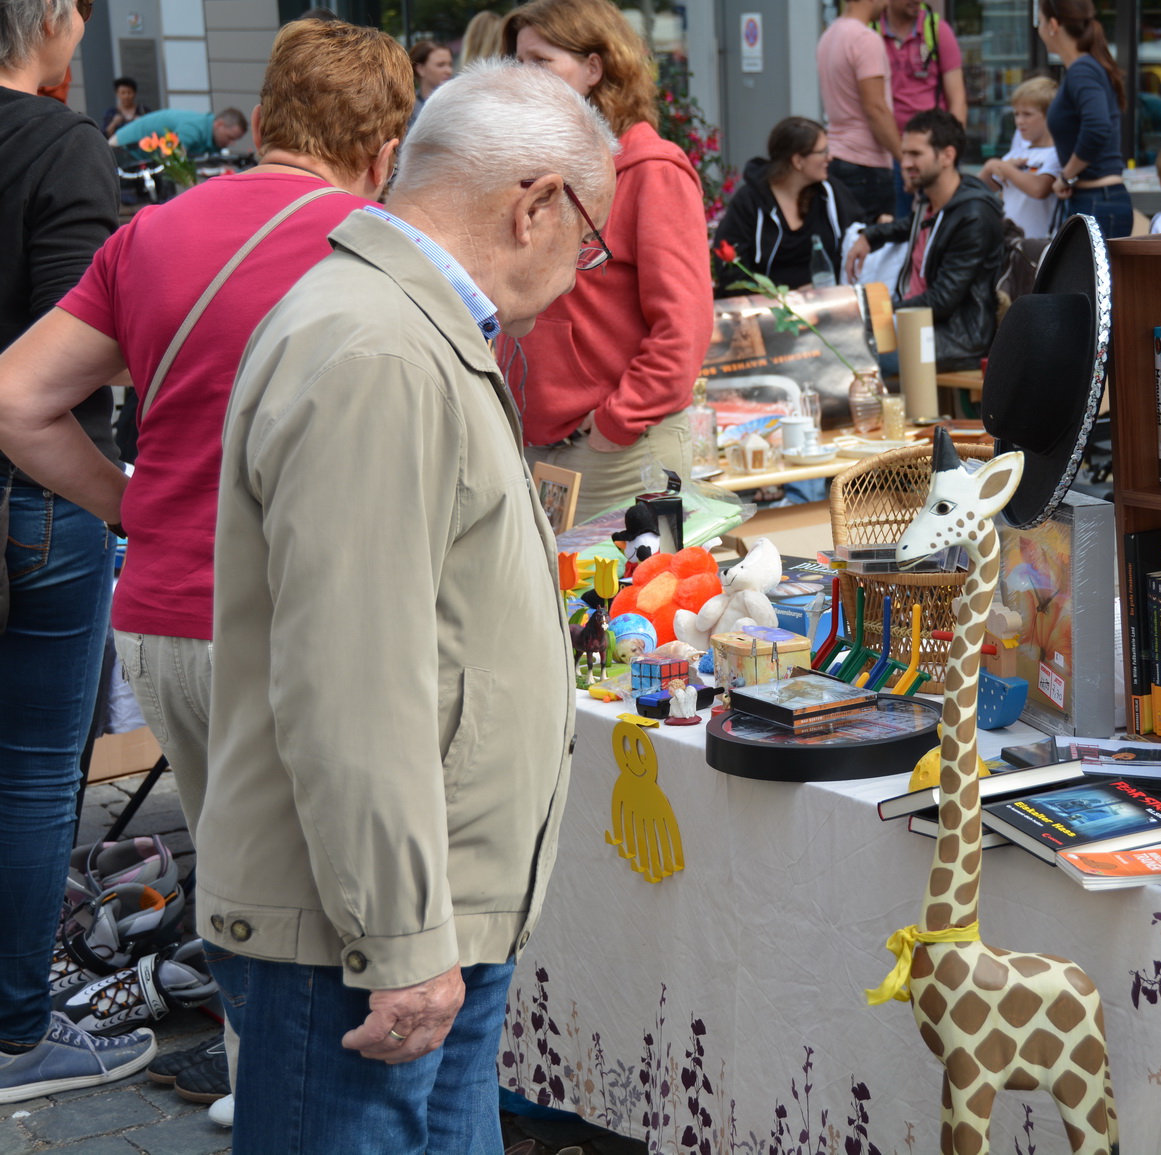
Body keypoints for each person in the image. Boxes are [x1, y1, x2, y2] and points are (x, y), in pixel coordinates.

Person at [0, 16, 413, 1119]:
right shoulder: (380, 243)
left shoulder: (154, 232)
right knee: (326, 893)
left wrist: (129, 502)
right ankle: (292, 1099)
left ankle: (253, 1074)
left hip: (162, 609)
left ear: (266, 119)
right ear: (384, 146)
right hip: (291, 615)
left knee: (232, 871)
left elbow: (17, 400)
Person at [195, 59, 611, 1150]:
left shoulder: (396, 328)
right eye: (591, 240)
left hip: (404, 925)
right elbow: (354, 677)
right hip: (359, 939)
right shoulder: (380, 346)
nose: (579, 275)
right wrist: (401, 933)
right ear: (536, 207)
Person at [0, 0, 156, 1103]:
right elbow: (69, 358)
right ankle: (16, 1032)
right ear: (51, 19)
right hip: (33, 491)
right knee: (32, 775)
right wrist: (123, 502)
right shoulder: (62, 147)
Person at [507, 0, 710, 519]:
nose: (522, 78)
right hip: (542, 448)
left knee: (633, 602)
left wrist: (614, 424)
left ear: (594, 68)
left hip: (620, 450)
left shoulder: (651, 169)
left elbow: (683, 327)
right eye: (517, 62)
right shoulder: (533, 169)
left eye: (540, 62)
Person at [845, 109, 1001, 373]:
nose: (904, 163)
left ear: (947, 156)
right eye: (905, 153)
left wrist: (875, 311)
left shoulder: (973, 215)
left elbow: (942, 301)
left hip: (954, 339)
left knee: (846, 359)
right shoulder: (932, 201)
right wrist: (870, 236)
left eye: (915, 154)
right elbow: (911, 226)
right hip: (916, 326)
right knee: (833, 343)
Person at [712, 116, 864, 295]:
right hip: (768, 311)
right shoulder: (750, 201)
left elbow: (857, 234)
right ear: (798, 160)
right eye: (823, 151)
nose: (830, 157)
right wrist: (785, 297)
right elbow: (731, 272)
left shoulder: (830, 192)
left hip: (828, 304)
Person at [1038, 0, 1132, 239]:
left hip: (1097, 201)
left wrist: (1066, 176)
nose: (1038, 30)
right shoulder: (1085, 68)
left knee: (1092, 278)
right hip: (1096, 200)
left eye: (1039, 22)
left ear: (1053, 25)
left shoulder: (1082, 70)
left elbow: (1098, 128)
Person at [872, 0, 966, 216]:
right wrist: (904, 158)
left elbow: (958, 98)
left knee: (945, 217)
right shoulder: (872, 32)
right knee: (902, 224)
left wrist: (951, 148)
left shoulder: (936, 29)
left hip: (933, 149)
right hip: (890, 147)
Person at [818, 0, 901, 223]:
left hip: (836, 157)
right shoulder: (865, 40)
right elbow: (875, 108)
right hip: (867, 167)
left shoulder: (829, 36)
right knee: (874, 253)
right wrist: (903, 158)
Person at [979, 76, 1061, 241]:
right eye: (1016, 114)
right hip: (1009, 242)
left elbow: (1039, 189)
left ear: (1050, 115)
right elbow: (982, 188)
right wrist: (989, 167)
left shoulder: (1056, 154)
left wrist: (1005, 168)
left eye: (1027, 114)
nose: (1019, 121)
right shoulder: (1016, 154)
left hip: (1041, 243)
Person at [112, 105, 246, 155]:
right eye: (230, 137)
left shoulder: (205, 131)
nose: (231, 143)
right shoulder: (194, 129)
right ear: (219, 124)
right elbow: (173, 158)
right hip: (123, 148)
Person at [409, 38, 452, 123]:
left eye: (450, 64)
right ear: (420, 69)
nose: (448, 71)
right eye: (440, 65)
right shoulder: (408, 111)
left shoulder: (457, 105)